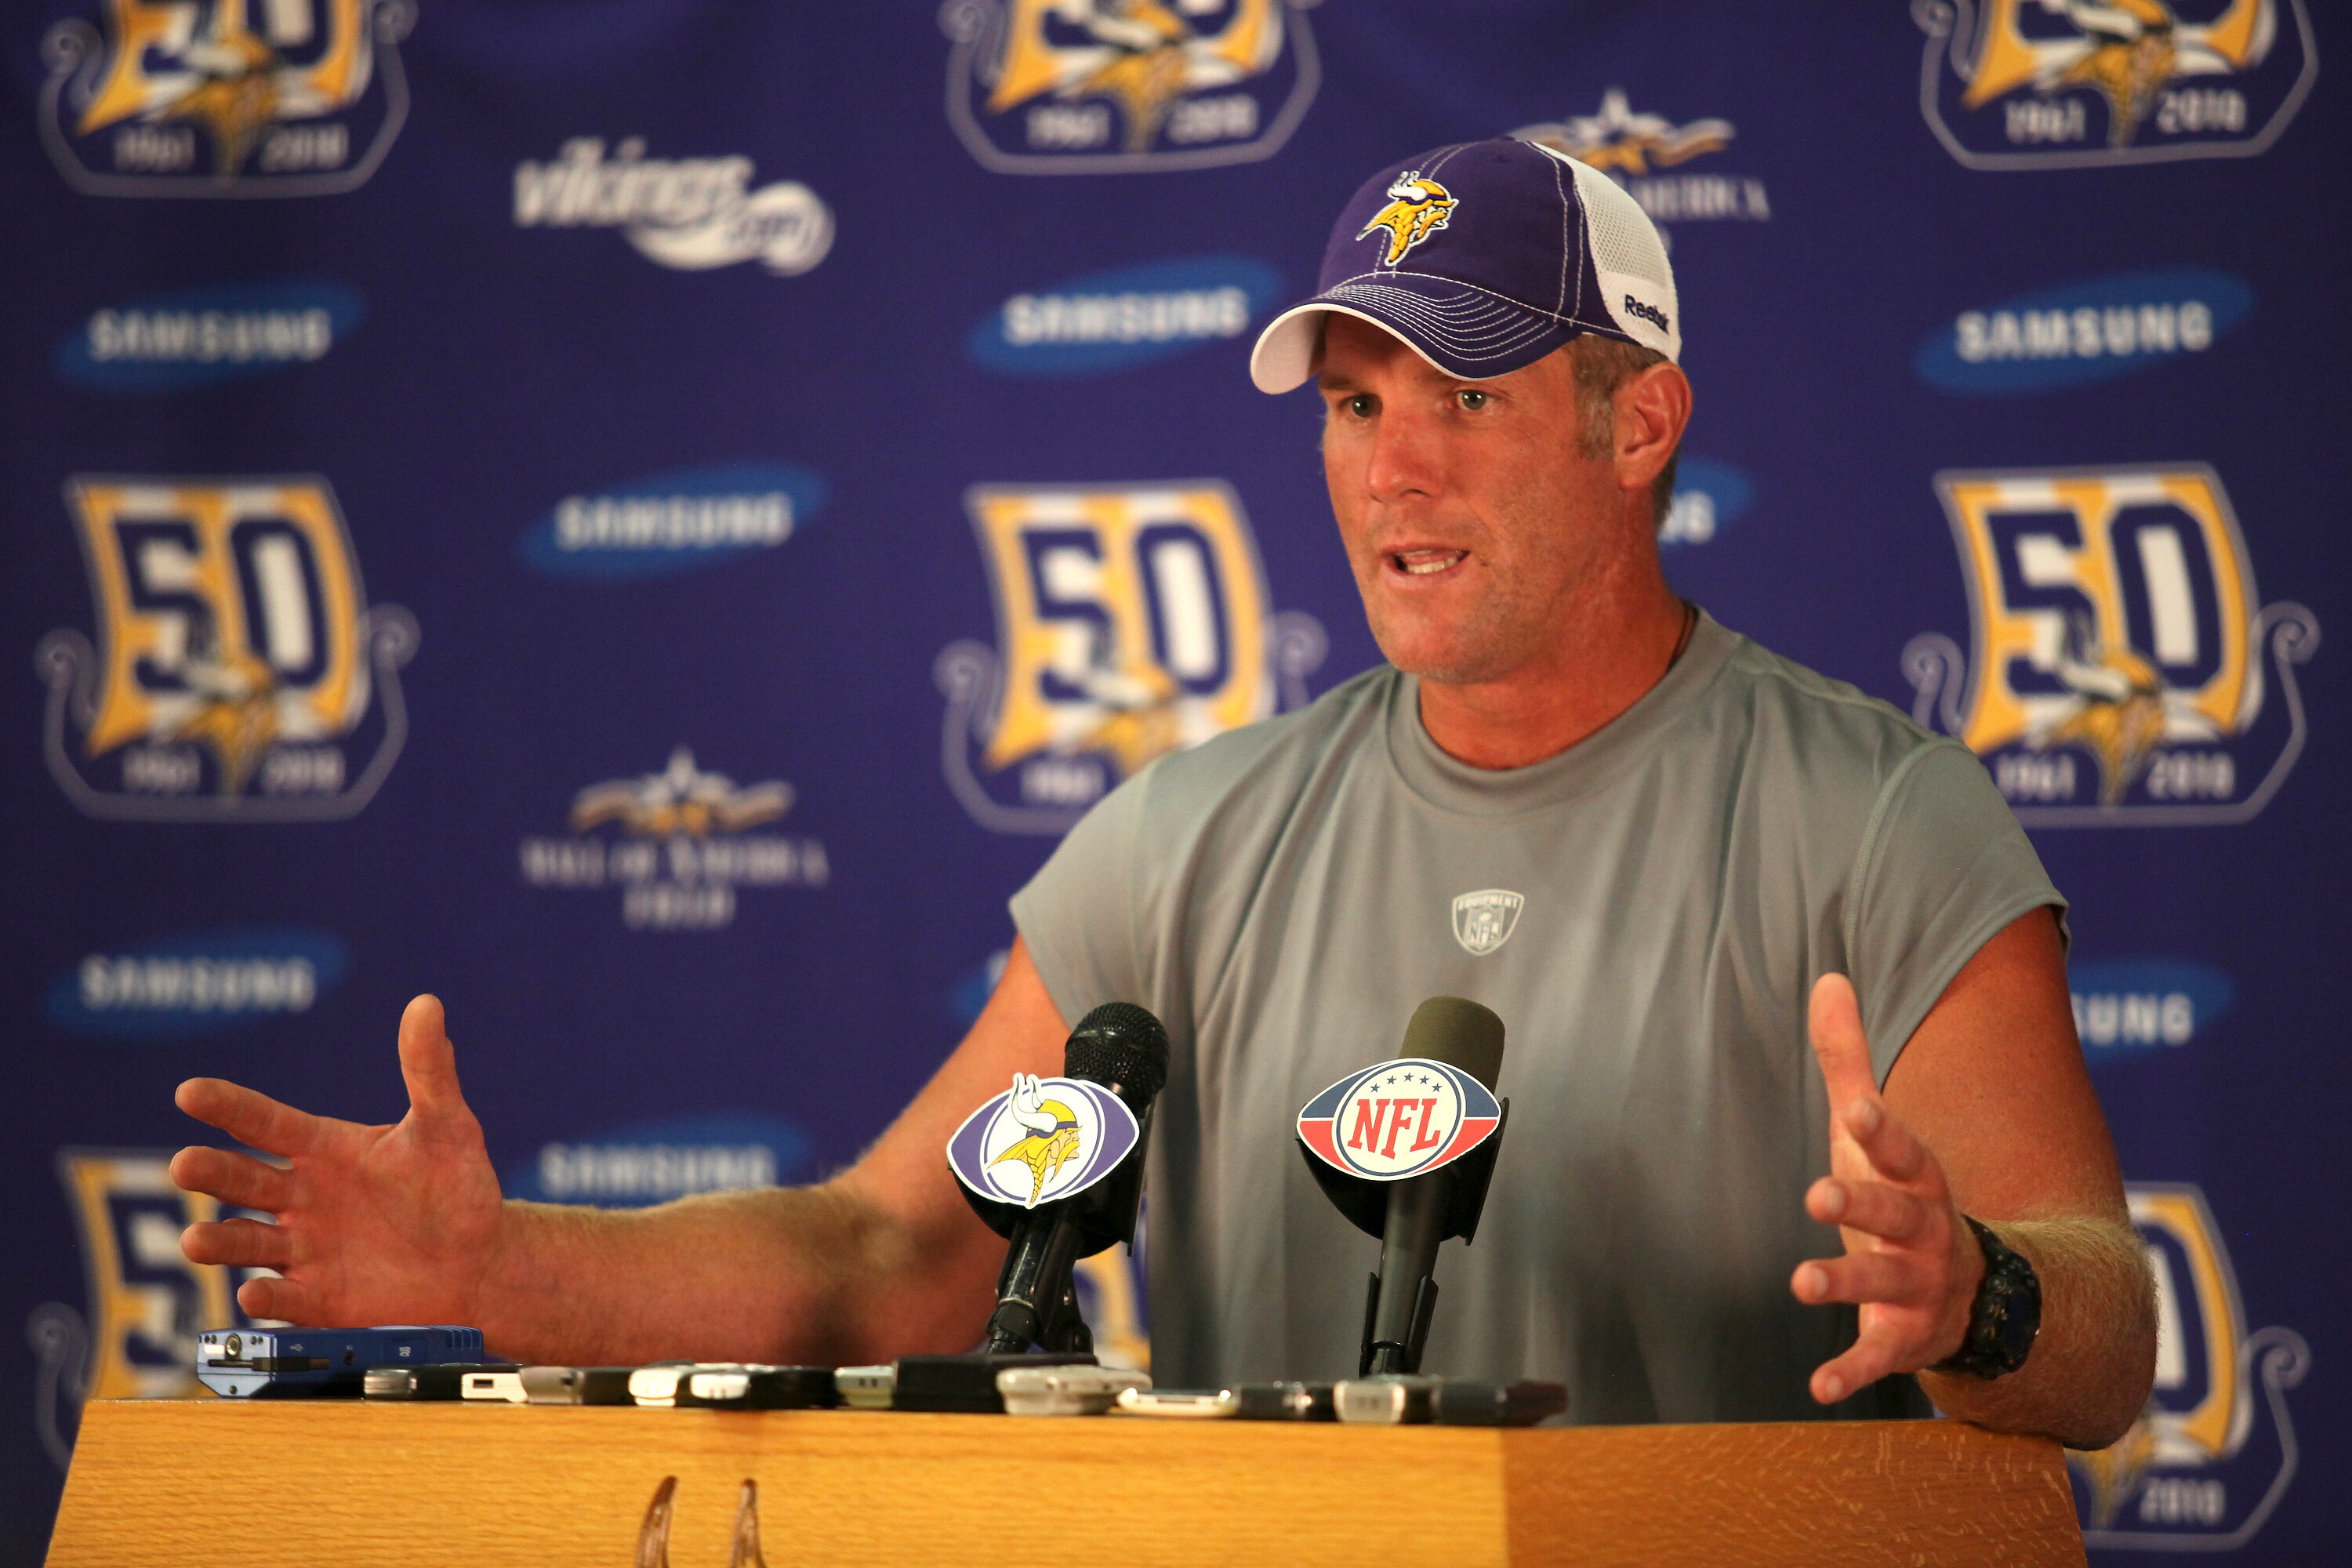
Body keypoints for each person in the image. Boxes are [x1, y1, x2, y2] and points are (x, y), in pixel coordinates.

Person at [172, 138, 2154, 1445]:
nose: (1391, 473)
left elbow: (2109, 1331)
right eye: (1359, 404)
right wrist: (500, 1269)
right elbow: (892, 1254)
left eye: (1463, 397)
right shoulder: (1182, 844)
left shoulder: (1882, 823)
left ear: (1640, 420)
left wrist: (1970, 1291)